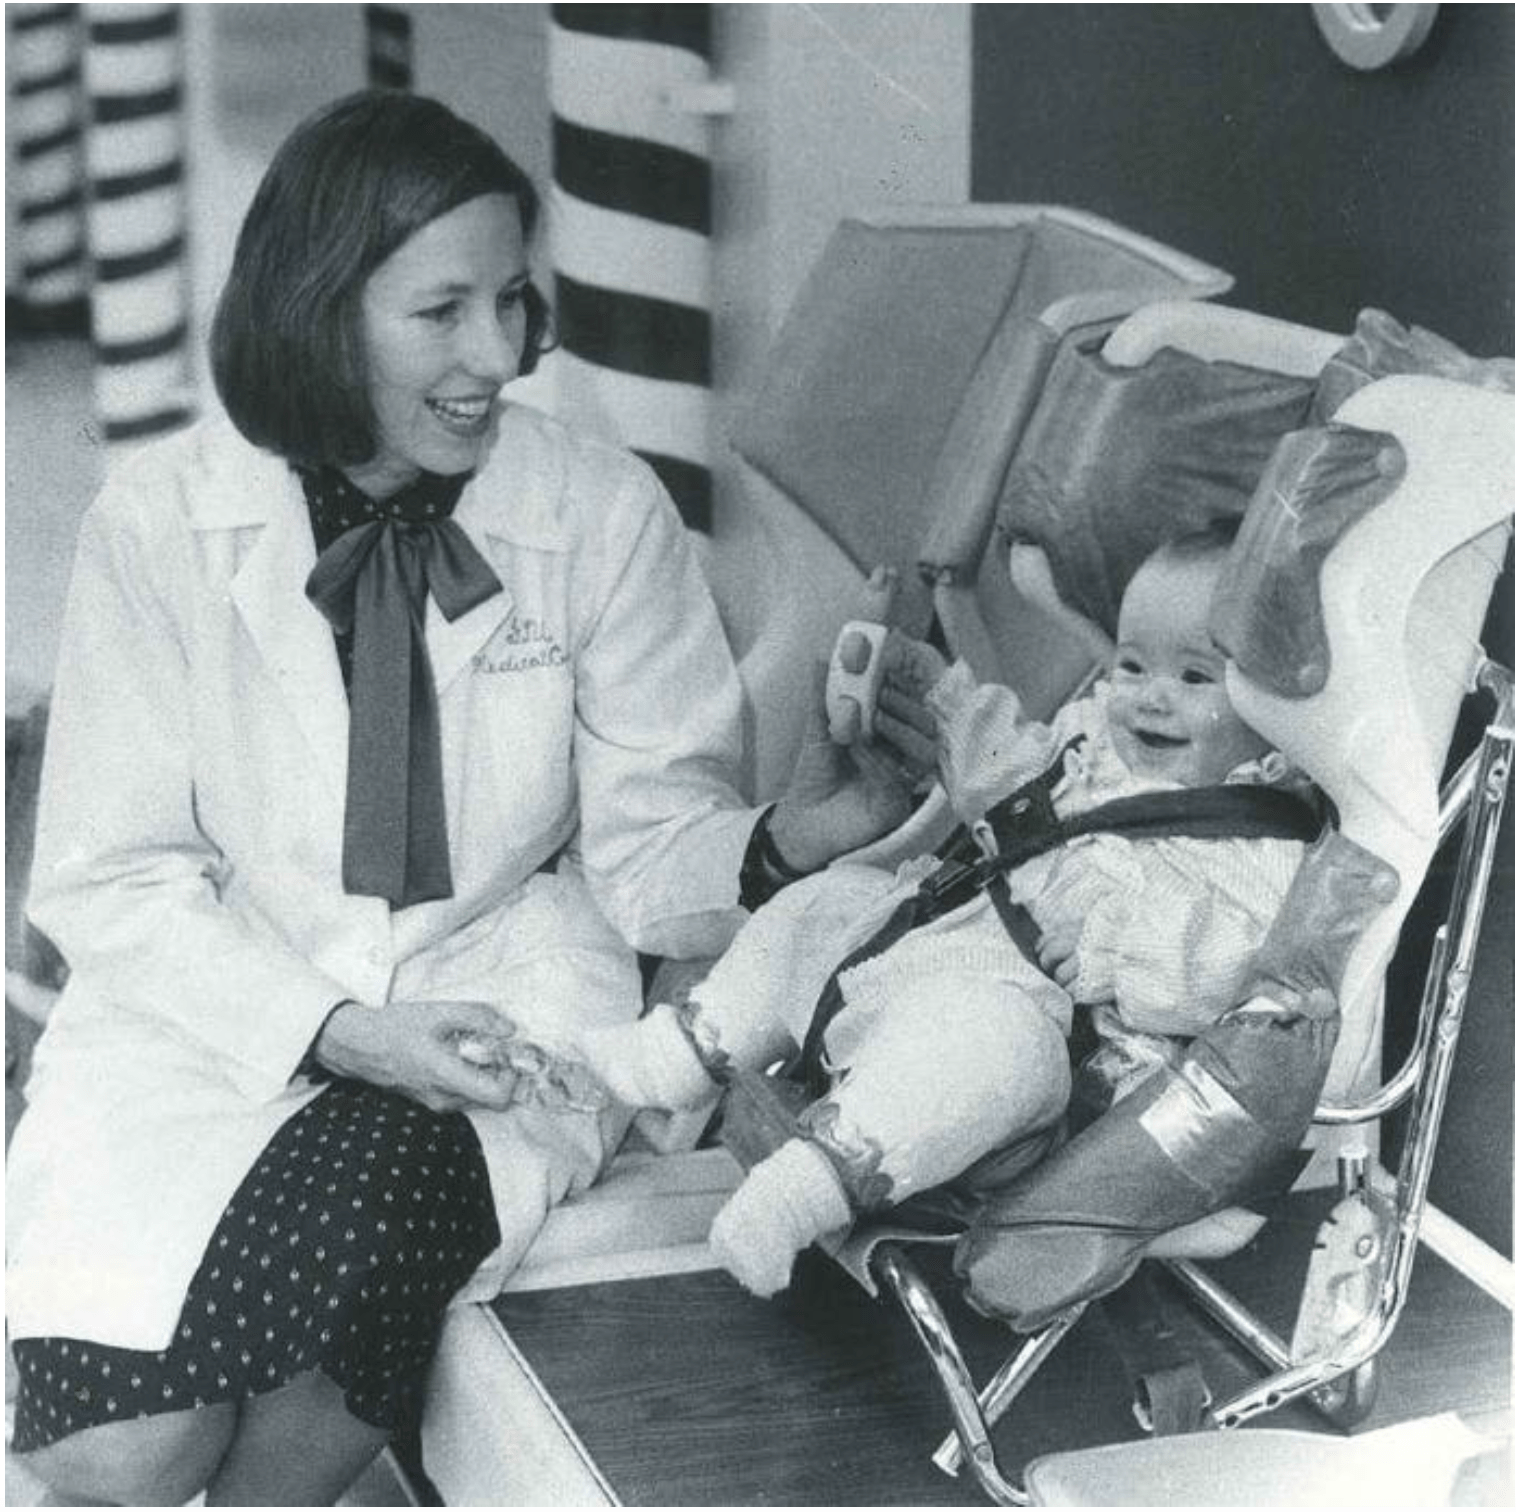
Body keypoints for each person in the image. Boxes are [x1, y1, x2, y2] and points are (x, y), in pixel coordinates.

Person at [5, 90, 924, 1506]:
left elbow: (645, 851)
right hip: (217, 995)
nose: (497, 356)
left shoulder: (598, 513)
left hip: (499, 994)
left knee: (319, 1342)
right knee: (117, 1458)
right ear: (322, 311)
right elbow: (106, 873)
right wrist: (344, 1032)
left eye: (511, 300)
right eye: (442, 312)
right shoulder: (160, 522)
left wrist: (797, 837)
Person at [581, 526, 1319, 1297]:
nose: (1150, 695)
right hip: (933, 938)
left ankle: (799, 1192)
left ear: (1271, 707)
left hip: (1041, 1039)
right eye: (1132, 664)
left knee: (984, 1051)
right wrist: (943, 697)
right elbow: (1011, 778)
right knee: (826, 902)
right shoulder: (1095, 745)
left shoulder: (1257, 844)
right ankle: (682, 1053)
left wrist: (1118, 955)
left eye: (1196, 677)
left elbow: (1234, 969)